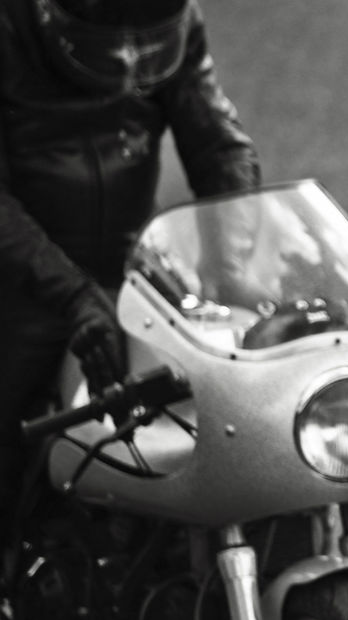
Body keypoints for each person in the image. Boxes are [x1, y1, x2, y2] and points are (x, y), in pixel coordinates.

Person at [0, 0, 260, 574]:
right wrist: (72, 296)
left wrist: (235, 268)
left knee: (228, 405)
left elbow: (218, 144)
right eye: (108, 45)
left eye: (145, 46)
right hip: (20, 280)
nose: (125, 61)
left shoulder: (174, 18)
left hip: (129, 273)